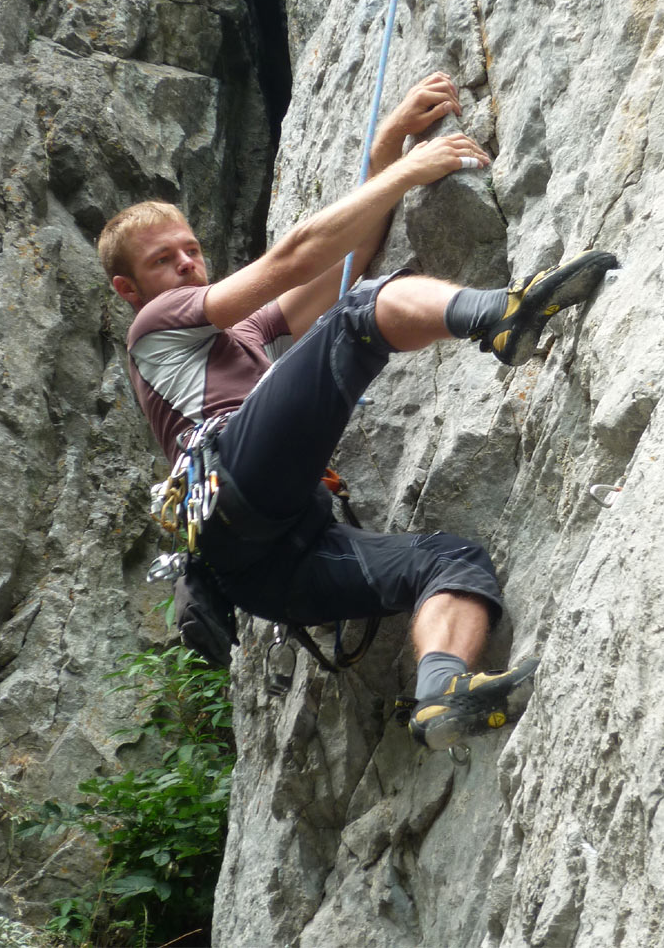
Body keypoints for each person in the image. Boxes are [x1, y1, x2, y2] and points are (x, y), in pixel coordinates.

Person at [97, 72, 617, 750]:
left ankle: (442, 692)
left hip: (269, 565)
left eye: (192, 249)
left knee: (452, 561)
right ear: (129, 288)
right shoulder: (155, 327)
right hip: (239, 487)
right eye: (165, 260)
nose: (189, 265)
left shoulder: (244, 333)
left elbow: (345, 260)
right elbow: (296, 257)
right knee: (360, 315)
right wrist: (409, 173)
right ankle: (503, 314)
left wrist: (383, 153)